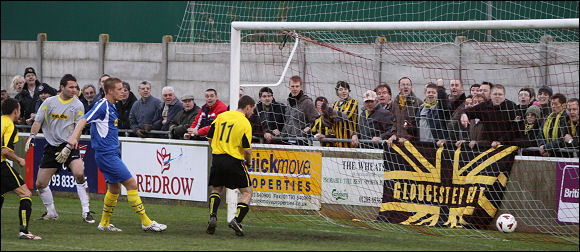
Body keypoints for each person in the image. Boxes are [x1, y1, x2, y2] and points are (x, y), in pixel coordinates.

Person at [67, 77, 167, 232]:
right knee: (132, 184)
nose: (123, 92)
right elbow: (84, 119)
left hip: (110, 153)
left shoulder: (112, 106)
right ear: (110, 91)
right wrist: (74, 137)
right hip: (106, 155)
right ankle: (146, 222)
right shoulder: (102, 105)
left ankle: (104, 224)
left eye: (123, 89)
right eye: (119, 89)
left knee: (114, 189)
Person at [24, 74, 94, 223]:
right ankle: (51, 213)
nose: (74, 90)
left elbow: (78, 128)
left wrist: (70, 145)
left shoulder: (78, 105)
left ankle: (86, 211)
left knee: (79, 173)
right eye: (71, 87)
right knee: (40, 184)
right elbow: (38, 121)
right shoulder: (49, 102)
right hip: (52, 146)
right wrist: (32, 137)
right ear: (62, 87)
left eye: (76, 87)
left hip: (70, 144)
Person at [205, 95, 256, 237]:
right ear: (247, 107)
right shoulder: (245, 123)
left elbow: (209, 137)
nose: (252, 113)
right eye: (252, 109)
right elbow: (246, 149)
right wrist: (249, 161)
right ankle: (237, 220)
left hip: (218, 158)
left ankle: (213, 216)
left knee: (216, 189)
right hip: (234, 160)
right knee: (247, 192)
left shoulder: (221, 116)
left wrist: (216, 152)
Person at [1, 98, 42, 240]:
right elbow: (5, 151)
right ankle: (24, 231)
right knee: (25, 193)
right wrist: (18, 159)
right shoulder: (9, 125)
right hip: (1, 166)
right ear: (15, 111)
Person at [462, 84, 520, 149]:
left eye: (500, 94)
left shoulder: (511, 106)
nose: (497, 96)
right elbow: (468, 112)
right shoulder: (484, 106)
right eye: (495, 94)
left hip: (508, 145)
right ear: (490, 95)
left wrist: (500, 141)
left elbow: (515, 128)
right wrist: (464, 115)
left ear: (504, 95)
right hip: (489, 145)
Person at [281, 76, 318, 146]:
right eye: (292, 86)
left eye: (297, 86)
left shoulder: (307, 102)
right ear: (289, 87)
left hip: (301, 140)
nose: (294, 89)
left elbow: (316, 120)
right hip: (287, 139)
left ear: (301, 87)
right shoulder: (288, 101)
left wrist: (306, 129)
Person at [386, 77, 422, 148]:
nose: (406, 87)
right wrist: (394, 135)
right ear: (399, 87)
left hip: (412, 144)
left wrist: (407, 138)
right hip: (396, 143)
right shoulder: (394, 103)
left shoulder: (418, 103)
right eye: (403, 85)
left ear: (411, 87)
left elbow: (418, 127)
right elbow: (393, 122)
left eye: (408, 85)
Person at [415, 82, 451, 147]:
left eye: (433, 92)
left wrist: (440, 87)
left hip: (436, 145)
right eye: (428, 92)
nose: (430, 94)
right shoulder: (420, 109)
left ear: (437, 94)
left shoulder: (441, 108)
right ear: (425, 94)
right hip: (421, 145)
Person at [538, 93, 570, 157]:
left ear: (563, 105)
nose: (553, 106)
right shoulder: (547, 117)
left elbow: (562, 140)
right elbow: (540, 134)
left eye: (555, 104)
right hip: (546, 154)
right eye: (552, 104)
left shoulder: (567, 119)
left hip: (562, 156)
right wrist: (542, 146)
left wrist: (546, 147)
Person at [331, 81, 359, 148]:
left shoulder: (353, 101)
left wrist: (330, 112)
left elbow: (345, 116)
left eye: (346, 89)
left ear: (349, 91)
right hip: (338, 142)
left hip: (351, 142)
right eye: (341, 90)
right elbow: (330, 119)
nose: (344, 91)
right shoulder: (335, 104)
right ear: (337, 92)